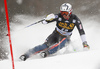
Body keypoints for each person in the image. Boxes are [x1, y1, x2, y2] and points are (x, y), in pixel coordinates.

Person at [20, 3, 90, 61]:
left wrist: (84, 43)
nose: (64, 15)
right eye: (62, 13)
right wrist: (47, 18)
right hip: (55, 35)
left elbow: (81, 31)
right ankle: (26, 55)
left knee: (62, 43)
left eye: (65, 13)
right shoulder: (58, 16)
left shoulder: (75, 19)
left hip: (66, 38)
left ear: (70, 12)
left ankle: (47, 53)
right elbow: (44, 22)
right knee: (44, 46)